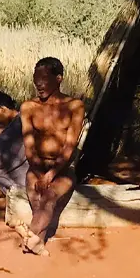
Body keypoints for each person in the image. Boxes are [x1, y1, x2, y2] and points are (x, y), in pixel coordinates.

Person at [19, 57, 86, 256]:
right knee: (36, 199)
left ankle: (29, 236)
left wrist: (51, 174)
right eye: (35, 78)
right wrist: (39, 172)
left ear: (58, 79)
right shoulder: (28, 107)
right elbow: (29, 146)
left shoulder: (75, 106)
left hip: (63, 170)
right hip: (36, 167)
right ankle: (37, 241)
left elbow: (69, 146)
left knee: (48, 197)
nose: (38, 84)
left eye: (44, 78)